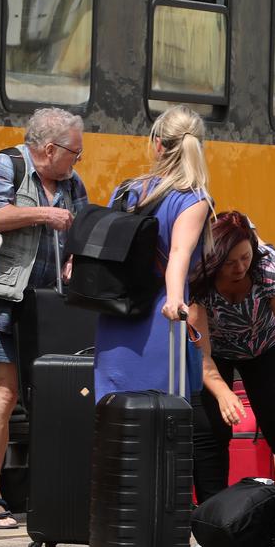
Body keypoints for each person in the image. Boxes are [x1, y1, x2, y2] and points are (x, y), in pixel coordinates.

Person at [0, 107, 89, 531]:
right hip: (5, 301)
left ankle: (52, 495)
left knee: (53, 398)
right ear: (50, 148)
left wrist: (75, 257)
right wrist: (44, 214)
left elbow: (81, 229)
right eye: (74, 152)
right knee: (4, 396)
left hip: (49, 307)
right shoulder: (6, 166)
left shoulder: (72, 182)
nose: (77, 160)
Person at [94, 105, 213, 402]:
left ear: (158, 145)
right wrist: (175, 299)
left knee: (113, 410)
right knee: (160, 410)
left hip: (116, 313)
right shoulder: (193, 199)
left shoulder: (126, 191)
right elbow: (179, 253)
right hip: (159, 317)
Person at [189, 211, 275, 502]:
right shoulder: (198, 277)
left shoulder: (270, 270)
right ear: (215, 260)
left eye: (245, 257)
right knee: (210, 429)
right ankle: (212, 512)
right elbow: (201, 354)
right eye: (230, 263)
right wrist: (223, 393)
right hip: (216, 353)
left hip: (266, 346)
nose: (240, 267)